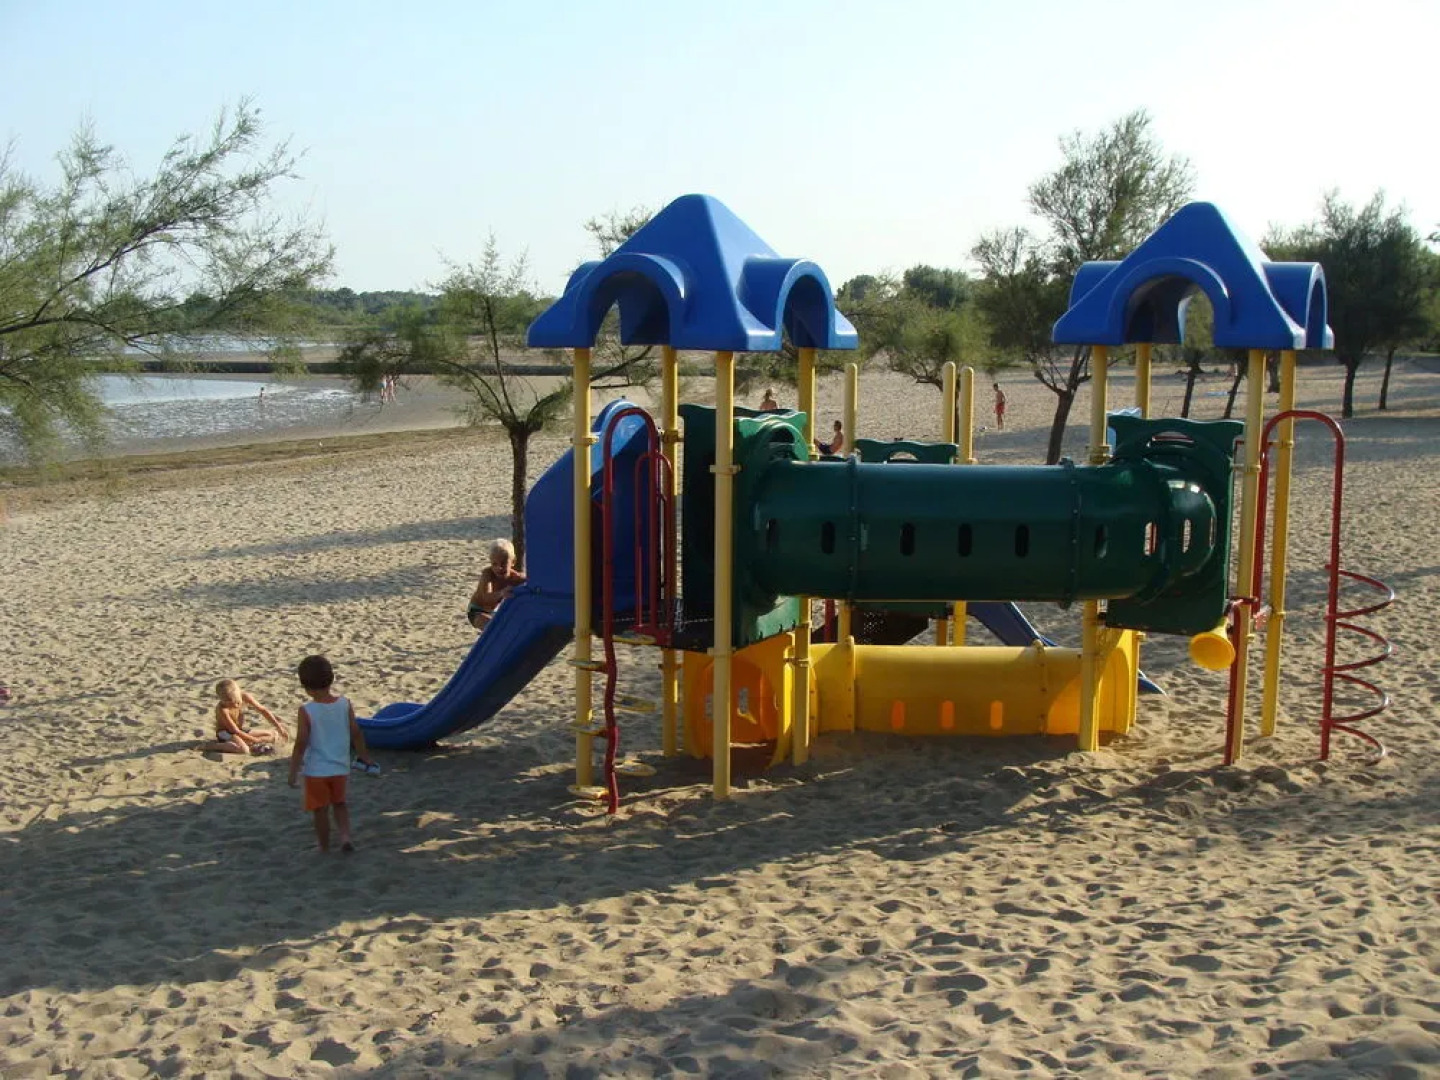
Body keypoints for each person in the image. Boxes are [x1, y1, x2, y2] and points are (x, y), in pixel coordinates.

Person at [288, 654, 368, 853]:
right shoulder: (344, 704)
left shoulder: (307, 710)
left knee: (320, 810)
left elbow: (301, 743)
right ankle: (345, 837)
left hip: (317, 771)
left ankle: (323, 846)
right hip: (340, 767)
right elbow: (356, 732)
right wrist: (364, 756)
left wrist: (293, 770)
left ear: (305, 687)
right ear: (331, 679)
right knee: (340, 804)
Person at [203, 678, 287, 756]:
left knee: (272, 734)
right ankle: (213, 746)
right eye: (229, 702)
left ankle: (245, 742)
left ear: (239, 693)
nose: (236, 705)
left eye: (237, 702)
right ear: (222, 700)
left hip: (239, 729)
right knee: (244, 750)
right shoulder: (223, 710)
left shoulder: (245, 696)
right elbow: (234, 731)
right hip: (225, 733)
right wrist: (255, 740)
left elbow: (263, 710)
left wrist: (278, 726)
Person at [468, 538, 526, 630]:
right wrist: (501, 593)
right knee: (493, 626)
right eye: (494, 564)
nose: (499, 568)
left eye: (503, 563)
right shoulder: (487, 574)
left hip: (495, 612)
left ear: (513, 562)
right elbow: (486, 598)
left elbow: (532, 584)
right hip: (477, 611)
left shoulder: (516, 578)